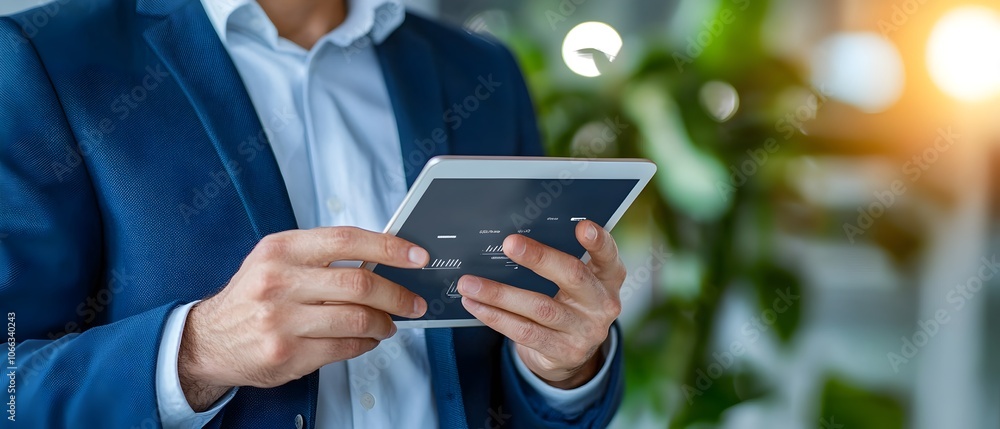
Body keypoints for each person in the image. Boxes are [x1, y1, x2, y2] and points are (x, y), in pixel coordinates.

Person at [0, 0, 627, 427]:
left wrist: (563, 366)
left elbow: (509, 383)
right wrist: (194, 351)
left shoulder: (481, 73)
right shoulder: (44, 58)